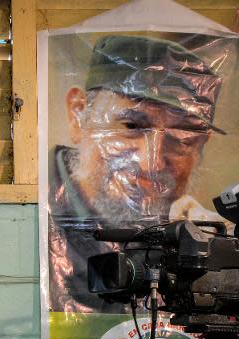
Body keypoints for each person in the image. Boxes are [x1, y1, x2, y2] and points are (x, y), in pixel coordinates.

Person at [48, 35, 226, 312]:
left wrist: (211, 263)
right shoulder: (36, 212)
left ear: (201, 146)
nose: (151, 164)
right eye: (131, 126)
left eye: (181, 138)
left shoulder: (192, 230)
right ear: (78, 115)